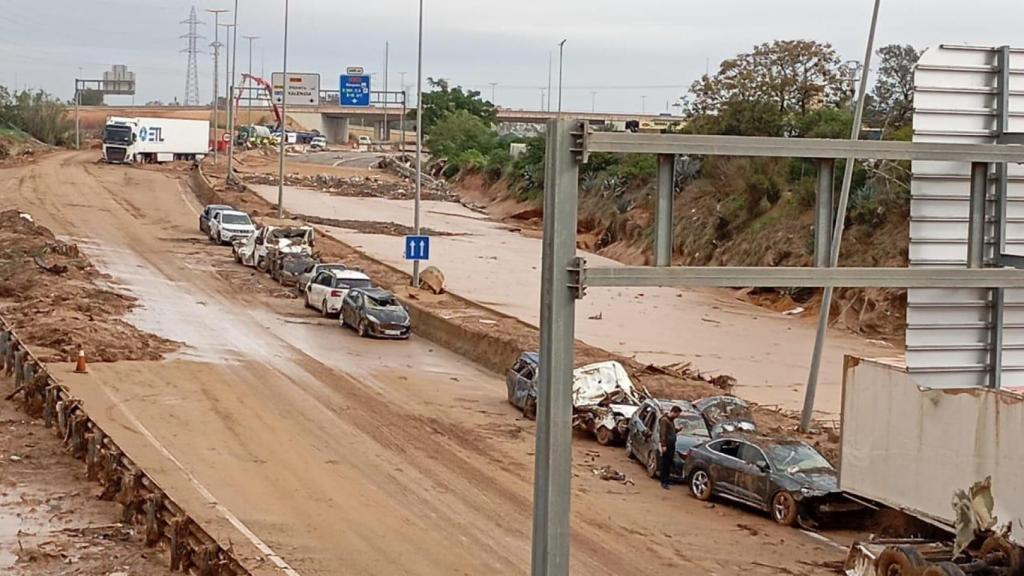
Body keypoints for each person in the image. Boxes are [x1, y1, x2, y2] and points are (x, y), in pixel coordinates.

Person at [658, 405, 683, 489]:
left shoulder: (671, 420)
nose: (677, 417)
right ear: (673, 412)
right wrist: (664, 445)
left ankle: (667, 479)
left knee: (669, 463)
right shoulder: (664, 420)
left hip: (671, 444)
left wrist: (677, 430)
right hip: (667, 445)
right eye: (677, 414)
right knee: (665, 463)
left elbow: (670, 431)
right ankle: (663, 481)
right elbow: (663, 434)